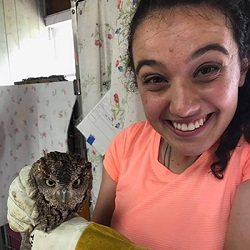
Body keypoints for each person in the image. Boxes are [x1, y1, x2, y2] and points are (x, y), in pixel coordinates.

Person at [7, 0, 250, 249]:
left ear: (242, 67)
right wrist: (45, 219)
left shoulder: (244, 163)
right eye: (156, 78)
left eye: (207, 69)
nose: (182, 107)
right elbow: (93, 236)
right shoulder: (125, 145)